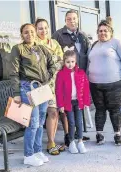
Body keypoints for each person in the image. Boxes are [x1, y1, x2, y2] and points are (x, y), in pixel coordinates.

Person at [9, 23, 56, 166]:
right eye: (25, 32)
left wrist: (49, 79)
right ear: (21, 35)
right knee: (33, 122)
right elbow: (13, 72)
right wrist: (17, 93)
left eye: (31, 31)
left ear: (35, 32)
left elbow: (52, 64)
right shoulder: (18, 49)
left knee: (41, 121)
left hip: (42, 88)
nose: (29, 34)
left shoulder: (41, 48)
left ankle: (37, 151)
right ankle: (28, 155)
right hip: (27, 88)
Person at [88, 17, 121, 146]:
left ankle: (117, 134)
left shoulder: (117, 43)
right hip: (95, 84)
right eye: (100, 31)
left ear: (110, 32)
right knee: (99, 110)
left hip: (114, 84)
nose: (102, 33)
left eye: (105, 30)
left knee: (115, 110)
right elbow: (89, 62)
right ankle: (99, 134)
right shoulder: (94, 45)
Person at [52, 9, 91, 146]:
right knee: (67, 111)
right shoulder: (58, 35)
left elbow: (86, 55)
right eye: (69, 19)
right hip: (66, 78)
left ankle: (78, 134)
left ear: (78, 19)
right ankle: (68, 136)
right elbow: (54, 55)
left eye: (74, 18)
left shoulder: (83, 36)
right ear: (65, 20)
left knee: (78, 110)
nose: (72, 21)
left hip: (79, 77)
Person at [35, 18, 64, 155]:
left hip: (55, 83)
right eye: (40, 28)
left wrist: (53, 62)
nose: (43, 31)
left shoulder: (54, 43)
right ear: (36, 30)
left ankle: (51, 141)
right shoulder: (34, 44)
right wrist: (54, 61)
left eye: (45, 27)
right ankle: (36, 146)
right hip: (41, 84)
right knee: (41, 114)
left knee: (54, 111)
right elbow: (40, 64)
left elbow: (62, 60)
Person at [55, 49, 90, 154]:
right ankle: (71, 142)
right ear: (64, 62)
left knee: (79, 122)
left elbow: (86, 88)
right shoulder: (61, 74)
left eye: (72, 62)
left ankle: (80, 142)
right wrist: (60, 104)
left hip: (78, 102)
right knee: (71, 122)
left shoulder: (81, 73)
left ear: (75, 62)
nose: (70, 64)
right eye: (68, 62)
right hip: (68, 103)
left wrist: (86, 102)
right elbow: (58, 91)